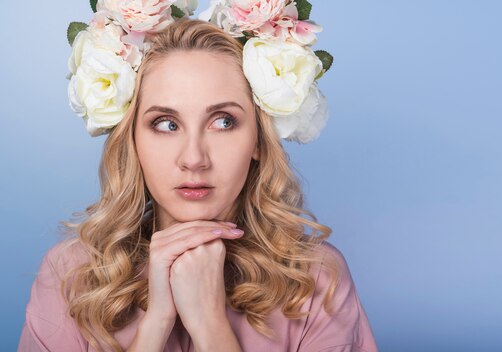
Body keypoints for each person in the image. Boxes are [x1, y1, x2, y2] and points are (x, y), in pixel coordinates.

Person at [18, 1, 377, 352]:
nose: (193, 159)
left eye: (223, 122)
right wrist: (156, 324)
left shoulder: (315, 279)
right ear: (133, 138)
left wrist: (210, 325)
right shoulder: (72, 274)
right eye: (166, 124)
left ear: (257, 138)